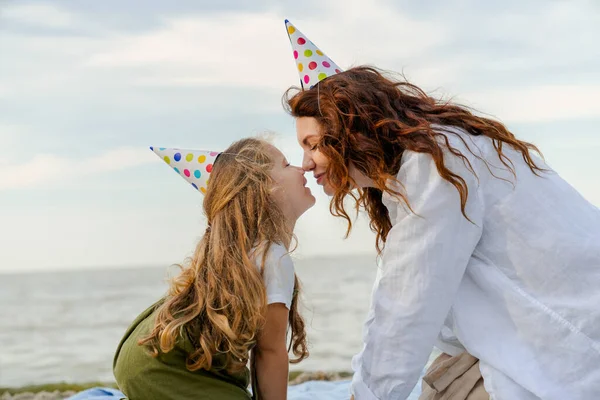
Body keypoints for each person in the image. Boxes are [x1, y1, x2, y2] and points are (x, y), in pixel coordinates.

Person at [282, 20, 600, 400]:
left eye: (313, 144)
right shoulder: (433, 158)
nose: (305, 163)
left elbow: (406, 308)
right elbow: (403, 301)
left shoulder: (432, 166)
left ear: (349, 130)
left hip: (571, 339)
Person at [113, 137, 316, 400]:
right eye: (287, 164)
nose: (301, 168)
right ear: (263, 188)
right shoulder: (272, 257)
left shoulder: (243, 250)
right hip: (165, 362)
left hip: (144, 351)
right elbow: (269, 351)